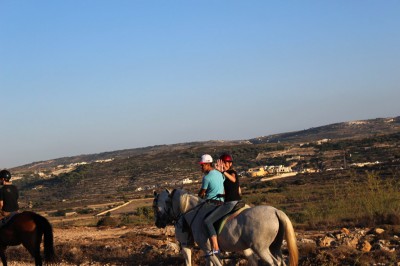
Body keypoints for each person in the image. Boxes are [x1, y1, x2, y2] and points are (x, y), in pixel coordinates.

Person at [203, 153, 242, 255]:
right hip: (234, 201)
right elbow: (238, 190)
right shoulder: (224, 175)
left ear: (230, 164)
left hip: (230, 203)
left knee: (208, 221)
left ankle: (215, 248)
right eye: (224, 163)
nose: (225, 164)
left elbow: (233, 179)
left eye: (227, 163)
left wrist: (223, 171)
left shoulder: (232, 172)